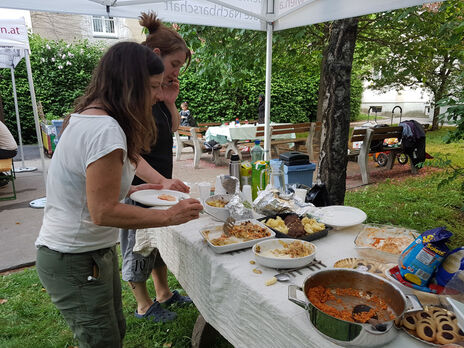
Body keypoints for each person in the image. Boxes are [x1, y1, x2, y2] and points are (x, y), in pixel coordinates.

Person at [35, 41, 203, 348]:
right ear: (129, 85)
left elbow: (86, 186)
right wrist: (168, 215)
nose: (155, 95)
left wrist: (138, 187)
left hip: (89, 253)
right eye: (152, 87)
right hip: (74, 257)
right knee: (102, 341)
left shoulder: (89, 116)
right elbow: (103, 211)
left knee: (113, 332)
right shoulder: (105, 130)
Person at [119, 12, 195, 324]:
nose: (176, 71)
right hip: (139, 183)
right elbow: (131, 152)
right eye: (175, 64)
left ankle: (163, 293)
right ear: (156, 55)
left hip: (160, 181)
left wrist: (171, 100)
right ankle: (143, 304)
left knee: (157, 240)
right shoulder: (134, 94)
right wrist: (162, 181)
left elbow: (172, 129)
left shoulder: (158, 93)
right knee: (138, 244)